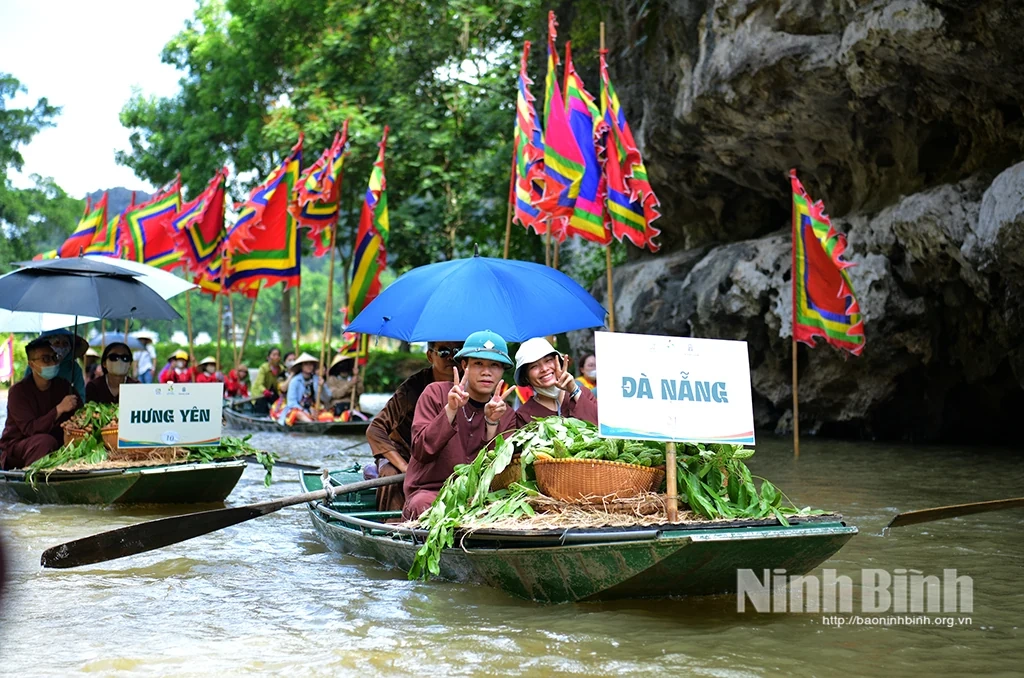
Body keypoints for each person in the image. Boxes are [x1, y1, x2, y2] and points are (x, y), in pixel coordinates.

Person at [403, 330, 511, 520]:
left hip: (481, 499)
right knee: (423, 507)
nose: (486, 372)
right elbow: (421, 450)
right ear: (464, 365)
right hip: (431, 492)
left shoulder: (507, 413)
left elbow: (499, 472)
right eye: (478, 363)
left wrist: (492, 423)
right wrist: (450, 409)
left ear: (502, 371)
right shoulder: (435, 393)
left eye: (494, 365)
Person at [365, 340, 463, 512]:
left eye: (457, 351)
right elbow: (375, 429)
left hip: (444, 457)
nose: (451, 357)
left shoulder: (470, 385)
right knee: (391, 474)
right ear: (430, 356)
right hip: (406, 454)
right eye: (443, 352)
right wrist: (405, 467)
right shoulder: (413, 388)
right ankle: (390, 525)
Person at [1, 337, 81, 469]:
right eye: (45, 359)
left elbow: (80, 413)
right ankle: (31, 482)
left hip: (57, 442)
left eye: (54, 357)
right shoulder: (18, 392)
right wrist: (59, 409)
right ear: (32, 364)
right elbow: (30, 429)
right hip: (20, 445)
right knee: (45, 441)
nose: (51, 363)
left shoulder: (63, 386)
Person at [499, 337, 598, 431]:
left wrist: (574, 391)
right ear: (526, 377)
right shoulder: (524, 415)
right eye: (534, 366)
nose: (544, 369)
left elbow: (602, 426)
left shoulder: (582, 393)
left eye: (548, 361)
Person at [21, 329, 86, 401]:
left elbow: (81, 395)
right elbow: (26, 390)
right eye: (57, 343)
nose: (61, 347)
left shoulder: (74, 368)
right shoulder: (35, 365)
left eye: (65, 344)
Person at [280, 353, 330, 425]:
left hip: (314, 408)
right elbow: (291, 403)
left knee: (328, 416)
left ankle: (316, 422)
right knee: (298, 414)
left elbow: (327, 398)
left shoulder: (317, 379)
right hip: (298, 409)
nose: (309, 366)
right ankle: (312, 424)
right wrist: (307, 410)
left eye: (311, 364)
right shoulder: (295, 381)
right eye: (306, 364)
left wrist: (322, 387)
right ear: (301, 366)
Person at [254, 347, 285, 414]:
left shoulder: (281, 369)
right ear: (268, 357)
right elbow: (259, 383)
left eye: (278, 355)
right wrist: (264, 390)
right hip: (261, 393)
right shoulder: (264, 368)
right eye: (274, 355)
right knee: (261, 404)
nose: (276, 357)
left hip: (273, 393)